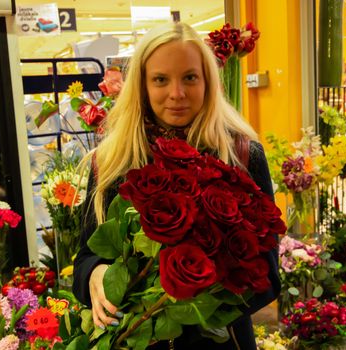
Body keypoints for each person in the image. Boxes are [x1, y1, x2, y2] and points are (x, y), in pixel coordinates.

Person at [73, 21, 280, 350]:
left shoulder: (241, 155)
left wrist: (197, 299)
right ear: (141, 85)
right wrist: (96, 275)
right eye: (160, 79)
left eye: (189, 77)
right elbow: (86, 256)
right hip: (136, 338)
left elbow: (267, 272)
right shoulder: (114, 159)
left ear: (207, 81)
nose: (177, 93)